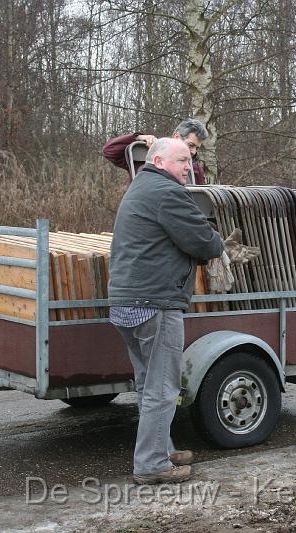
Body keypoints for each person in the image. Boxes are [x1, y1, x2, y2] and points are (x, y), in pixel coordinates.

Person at [108, 137, 224, 484]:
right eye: (182, 160)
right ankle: (151, 465)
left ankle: (161, 449)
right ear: (158, 161)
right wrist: (213, 239)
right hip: (155, 303)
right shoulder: (167, 193)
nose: (188, 167)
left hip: (127, 301)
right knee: (163, 388)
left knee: (148, 385)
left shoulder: (140, 188)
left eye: (189, 160)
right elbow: (205, 242)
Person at [103, 118, 209, 186]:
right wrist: (138, 137)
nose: (193, 152)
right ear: (177, 137)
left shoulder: (194, 168)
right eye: (190, 145)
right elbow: (109, 150)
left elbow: (198, 200)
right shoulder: (148, 154)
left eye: (197, 148)